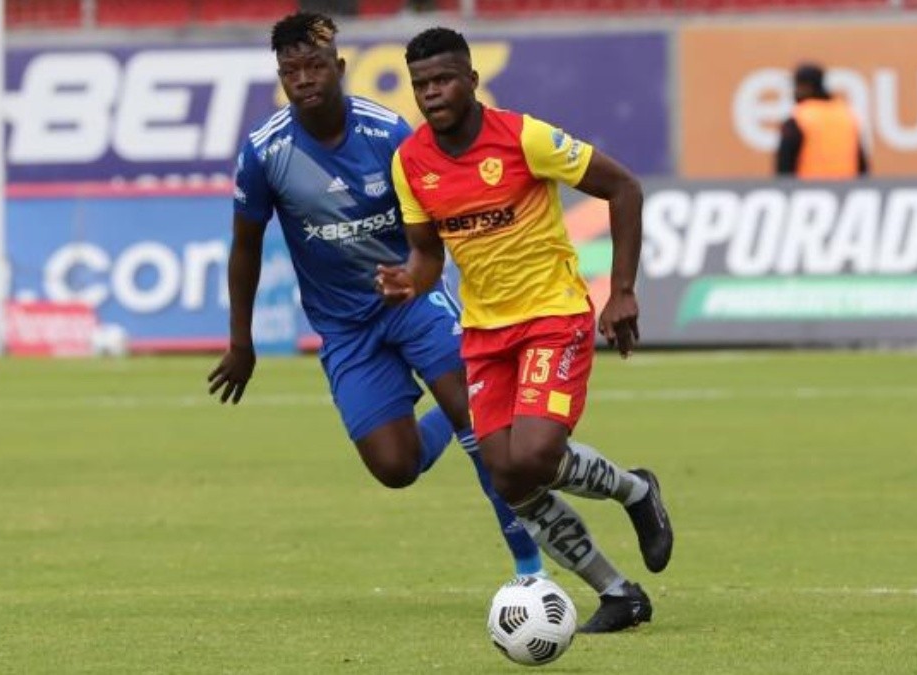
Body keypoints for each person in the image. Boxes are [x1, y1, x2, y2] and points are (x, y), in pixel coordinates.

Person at [206, 13, 645, 633]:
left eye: (313, 67)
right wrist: (240, 341)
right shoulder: (265, 152)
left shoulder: (388, 134)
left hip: (414, 305)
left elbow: (443, 218)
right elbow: (245, 243)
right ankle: (462, 411)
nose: (302, 80)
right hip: (344, 327)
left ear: (338, 69)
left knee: (494, 446)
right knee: (394, 465)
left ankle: (529, 570)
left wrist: (424, 275)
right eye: (289, 72)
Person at [377, 27, 675, 634]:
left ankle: (635, 494)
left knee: (536, 454)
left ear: (471, 80)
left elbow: (624, 188)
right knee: (508, 475)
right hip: (484, 333)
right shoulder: (410, 162)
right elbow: (428, 253)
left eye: (443, 79)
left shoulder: (523, 137)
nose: (432, 94)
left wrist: (620, 292)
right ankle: (619, 590)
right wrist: (411, 278)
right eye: (421, 85)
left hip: (552, 316)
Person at [776, 62, 869, 179]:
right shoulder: (847, 116)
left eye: (797, 86)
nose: (794, 92)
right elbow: (862, 167)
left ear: (806, 87)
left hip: (807, 193)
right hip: (845, 193)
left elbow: (784, 169)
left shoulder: (799, 119)